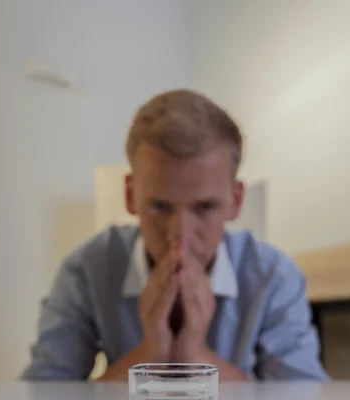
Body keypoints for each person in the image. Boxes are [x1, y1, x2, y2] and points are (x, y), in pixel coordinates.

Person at [22, 89, 327, 381]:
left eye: (205, 207)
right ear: (130, 195)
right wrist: (150, 353)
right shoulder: (87, 271)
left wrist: (194, 355)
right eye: (160, 206)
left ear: (236, 200)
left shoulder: (273, 277)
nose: (179, 234)